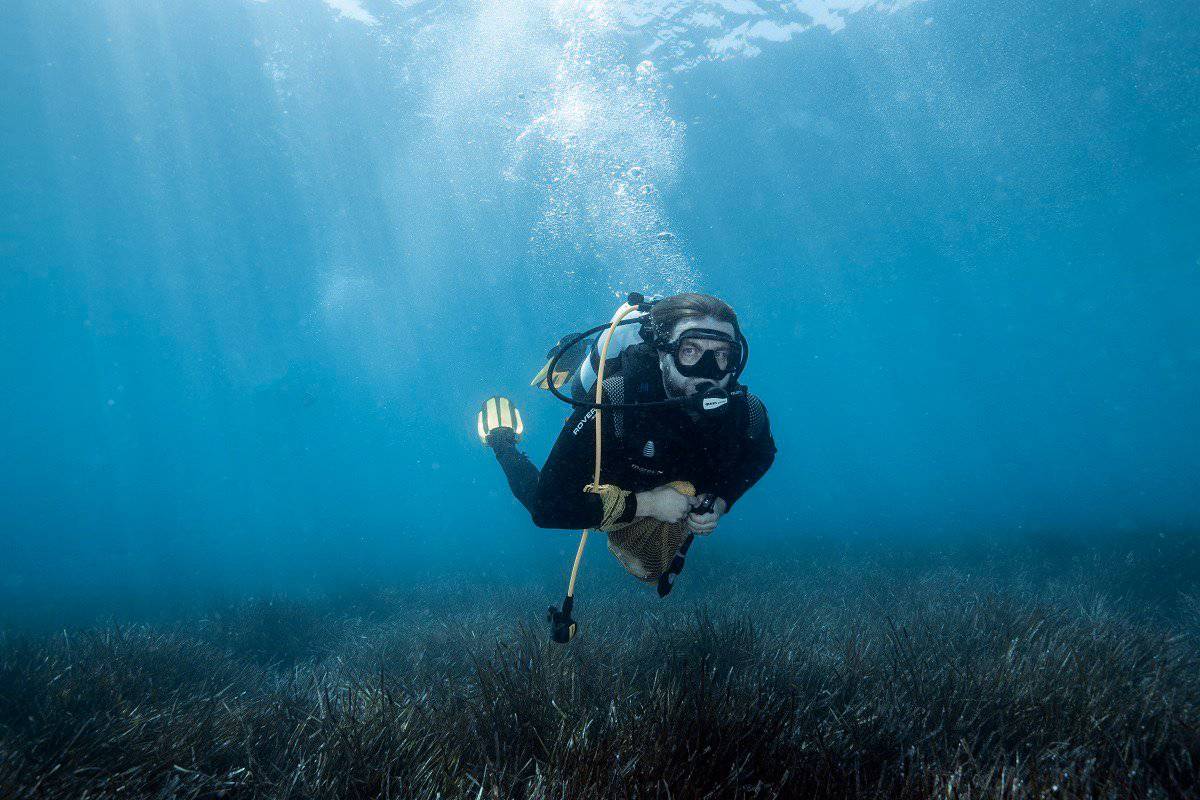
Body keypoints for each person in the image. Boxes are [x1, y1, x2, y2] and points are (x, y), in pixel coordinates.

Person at [481, 293, 776, 547]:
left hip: (666, 473)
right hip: (618, 468)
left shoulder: (746, 411)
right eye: (690, 351)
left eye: (723, 354)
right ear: (663, 354)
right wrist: (648, 504)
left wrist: (722, 500)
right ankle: (501, 440)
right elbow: (546, 508)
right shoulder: (615, 399)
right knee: (538, 493)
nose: (709, 370)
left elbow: (762, 455)